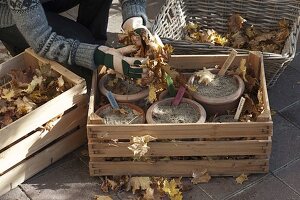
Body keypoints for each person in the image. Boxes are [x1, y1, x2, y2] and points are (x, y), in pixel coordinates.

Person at [0, 0, 150, 87]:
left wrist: (133, 21)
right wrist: (97, 55)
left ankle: (95, 51)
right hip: (10, 12)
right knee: (80, 42)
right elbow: (42, 39)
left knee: (86, 46)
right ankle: (92, 59)